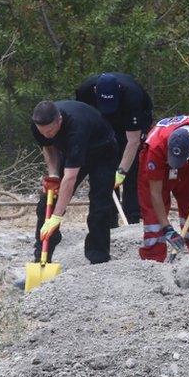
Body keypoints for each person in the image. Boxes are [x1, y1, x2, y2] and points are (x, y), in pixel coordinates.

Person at [30, 100, 118, 265]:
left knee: (99, 205)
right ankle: (41, 260)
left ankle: (98, 259)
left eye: (50, 131)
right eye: (43, 132)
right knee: (46, 203)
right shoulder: (38, 125)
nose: (47, 135)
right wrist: (54, 175)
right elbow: (48, 148)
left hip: (103, 151)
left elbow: (70, 178)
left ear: (60, 121)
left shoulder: (77, 127)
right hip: (72, 152)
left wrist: (57, 216)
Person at [75, 72, 154, 225]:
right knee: (104, 172)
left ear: (118, 90)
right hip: (101, 126)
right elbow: (82, 121)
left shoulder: (133, 96)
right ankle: (109, 220)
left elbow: (133, 141)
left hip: (131, 125)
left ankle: (132, 219)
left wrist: (121, 171)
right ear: (96, 91)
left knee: (132, 170)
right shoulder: (85, 92)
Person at [137, 115, 189, 262]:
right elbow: (155, 193)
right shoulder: (155, 149)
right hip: (159, 161)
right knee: (154, 219)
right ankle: (153, 263)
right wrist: (167, 228)